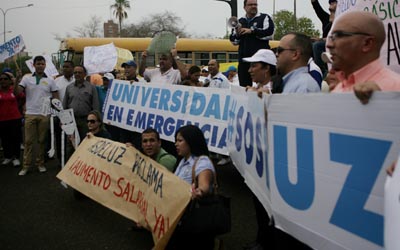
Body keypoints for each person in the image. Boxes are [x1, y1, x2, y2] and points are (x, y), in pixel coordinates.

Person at [242, 50, 277, 250]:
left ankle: (267, 242)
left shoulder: (275, 91)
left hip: (269, 156)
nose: (250, 70)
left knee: (268, 205)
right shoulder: (255, 89)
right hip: (255, 156)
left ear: (266, 68)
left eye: (254, 65)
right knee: (257, 201)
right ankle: (261, 239)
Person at [327, 11, 400, 103]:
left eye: (339, 35)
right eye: (331, 37)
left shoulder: (395, 88)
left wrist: (382, 104)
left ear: (367, 43)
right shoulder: (338, 89)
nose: (329, 45)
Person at [167, 125, 216, 250]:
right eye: (175, 140)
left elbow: (204, 186)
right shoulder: (183, 161)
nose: (176, 144)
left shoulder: (202, 162)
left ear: (191, 141)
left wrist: (200, 191)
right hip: (180, 220)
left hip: (194, 222)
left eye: (180, 140)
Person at [15, 56, 59, 176]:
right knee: (28, 141)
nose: (40, 66)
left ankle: (40, 163)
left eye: (42, 64)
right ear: (33, 65)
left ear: (45, 65)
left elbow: (56, 97)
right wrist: (17, 79)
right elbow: (17, 92)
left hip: (44, 114)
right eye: (38, 64)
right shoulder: (26, 78)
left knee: (41, 141)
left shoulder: (50, 80)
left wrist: (57, 110)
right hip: (30, 113)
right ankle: (26, 166)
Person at [229, 0, 274, 87]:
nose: (253, 6)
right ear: (244, 7)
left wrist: (252, 31)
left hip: (260, 61)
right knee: (244, 87)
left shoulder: (264, 17)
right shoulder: (240, 21)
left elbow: (269, 33)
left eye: (255, 4)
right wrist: (238, 34)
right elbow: (233, 41)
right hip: (244, 60)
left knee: (264, 85)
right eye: (250, 5)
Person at [63, 65, 99, 158]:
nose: (77, 74)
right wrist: (64, 121)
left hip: (86, 121)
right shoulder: (69, 88)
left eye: (80, 72)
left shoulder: (91, 88)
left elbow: (95, 106)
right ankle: (69, 167)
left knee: (86, 144)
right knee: (71, 145)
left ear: (85, 74)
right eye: (75, 72)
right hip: (72, 121)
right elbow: (65, 105)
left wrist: (94, 122)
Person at [0, 72, 24, 167]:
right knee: (5, 139)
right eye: (1, 79)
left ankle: (16, 157)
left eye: (5, 79)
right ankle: (8, 157)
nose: (3, 81)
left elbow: (22, 98)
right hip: (2, 119)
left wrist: (17, 78)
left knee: (15, 138)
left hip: (15, 118)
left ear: (10, 81)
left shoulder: (13, 91)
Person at [54, 61, 75, 165]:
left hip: (74, 115)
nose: (65, 69)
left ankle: (74, 161)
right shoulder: (57, 81)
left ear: (73, 68)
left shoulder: (77, 80)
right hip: (61, 114)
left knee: (73, 138)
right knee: (60, 138)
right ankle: (61, 160)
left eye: (67, 67)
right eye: (64, 67)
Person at [311, 0, 337, 76]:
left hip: (334, 44)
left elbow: (337, 36)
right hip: (326, 46)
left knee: (317, 45)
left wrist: (321, 39)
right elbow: (317, 7)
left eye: (334, 2)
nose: (331, 4)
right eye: (330, 2)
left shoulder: (342, 20)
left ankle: (322, 73)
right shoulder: (326, 19)